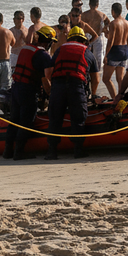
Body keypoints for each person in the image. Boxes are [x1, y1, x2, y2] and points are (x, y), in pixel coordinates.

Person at [46, 27, 98, 160]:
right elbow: (96, 79)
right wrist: (92, 95)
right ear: (83, 40)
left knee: (55, 119)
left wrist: (51, 90)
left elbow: (49, 72)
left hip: (58, 86)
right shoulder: (88, 52)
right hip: (76, 87)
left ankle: (52, 152)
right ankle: (78, 151)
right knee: (78, 118)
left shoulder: (60, 49)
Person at [5, 26, 55, 160]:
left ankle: (8, 151)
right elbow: (46, 80)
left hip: (15, 87)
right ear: (48, 41)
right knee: (26, 121)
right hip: (28, 90)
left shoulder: (25, 48)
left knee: (14, 120)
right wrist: (52, 96)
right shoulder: (43, 55)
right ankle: (19, 152)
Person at [81, 0, 109, 95]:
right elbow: (108, 24)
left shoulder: (84, 15)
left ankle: (86, 76)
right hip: (98, 38)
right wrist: (105, 30)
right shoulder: (102, 15)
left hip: (87, 37)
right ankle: (95, 80)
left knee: (85, 58)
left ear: (89, 4)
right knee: (97, 62)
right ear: (98, 4)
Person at [102, 3, 128, 99]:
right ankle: (121, 98)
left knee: (106, 79)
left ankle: (115, 98)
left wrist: (106, 55)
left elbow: (111, 41)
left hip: (115, 51)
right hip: (124, 50)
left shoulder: (113, 23)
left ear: (113, 11)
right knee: (120, 79)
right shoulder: (127, 23)